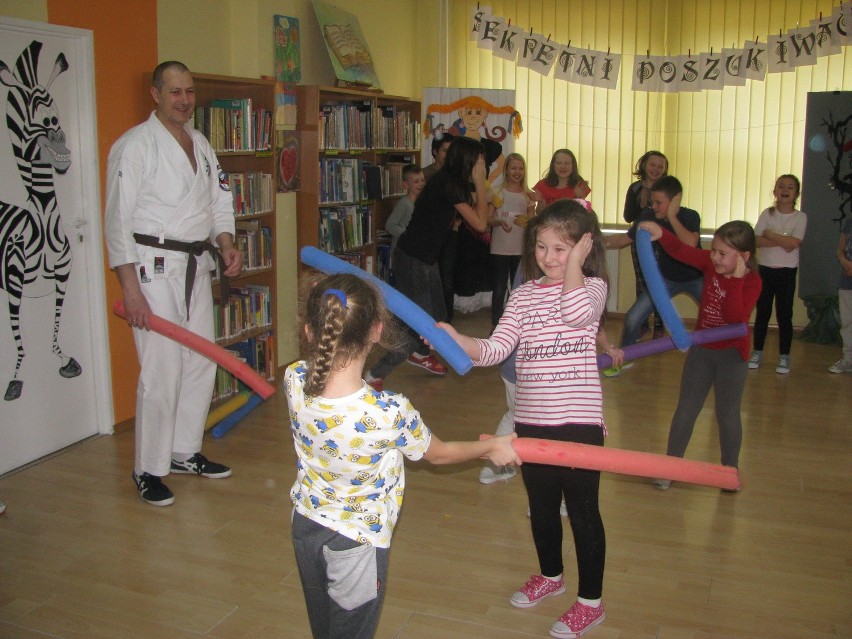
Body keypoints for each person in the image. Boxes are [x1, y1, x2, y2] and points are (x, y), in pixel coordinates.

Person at [286, 272, 520, 639]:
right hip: (356, 541)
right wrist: (492, 445)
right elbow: (439, 454)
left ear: (310, 331)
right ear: (377, 332)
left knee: (324, 626)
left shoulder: (294, 378)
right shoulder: (388, 413)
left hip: (305, 524)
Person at [440, 201, 610, 639]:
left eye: (561, 249)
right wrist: (460, 340)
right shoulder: (524, 294)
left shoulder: (592, 287)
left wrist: (576, 264)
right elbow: (496, 349)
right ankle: (551, 576)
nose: (549, 258)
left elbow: (574, 314)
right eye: (541, 247)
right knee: (540, 508)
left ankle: (591, 602)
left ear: (583, 250)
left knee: (585, 514)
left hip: (578, 424)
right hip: (532, 424)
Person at [104, 61, 243, 506]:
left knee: (201, 359)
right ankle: (147, 467)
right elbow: (116, 222)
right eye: (175, 92)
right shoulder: (135, 146)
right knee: (161, 370)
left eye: (189, 91)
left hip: (194, 264)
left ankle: (185, 450)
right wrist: (130, 289)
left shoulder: (200, 144)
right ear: (156, 94)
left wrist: (226, 243)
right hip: (152, 267)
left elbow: (219, 201)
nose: (184, 100)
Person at [638, 219, 761, 489]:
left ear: (743, 257)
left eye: (722, 253)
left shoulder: (752, 283)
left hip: (732, 354)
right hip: (702, 350)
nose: (714, 257)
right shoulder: (709, 262)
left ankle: (730, 472)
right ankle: (671, 468)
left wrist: (736, 281)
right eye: (714, 250)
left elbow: (734, 319)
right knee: (686, 409)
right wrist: (662, 235)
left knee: (727, 414)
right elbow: (683, 252)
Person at [364, 137, 490, 391]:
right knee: (422, 324)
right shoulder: (448, 184)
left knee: (439, 317)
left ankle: (417, 352)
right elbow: (480, 224)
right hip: (412, 259)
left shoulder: (451, 183)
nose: (483, 164)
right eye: (481, 160)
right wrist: (480, 181)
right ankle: (375, 372)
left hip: (424, 259)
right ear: (469, 161)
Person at [603, 176, 703, 376]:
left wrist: (672, 217)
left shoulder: (690, 216)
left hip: (695, 277)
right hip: (665, 279)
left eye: (659, 202)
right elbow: (623, 239)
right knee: (633, 318)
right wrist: (597, 242)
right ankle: (624, 359)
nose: (654, 206)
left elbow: (690, 244)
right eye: (652, 201)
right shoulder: (647, 216)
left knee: (717, 316)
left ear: (675, 200)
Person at [748, 175, 807, 374]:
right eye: (781, 186)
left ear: (796, 194)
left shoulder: (800, 217)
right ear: (775, 191)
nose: (785, 189)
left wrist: (771, 235)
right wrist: (784, 241)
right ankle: (757, 351)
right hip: (765, 269)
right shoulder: (767, 214)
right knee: (762, 313)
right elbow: (755, 240)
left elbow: (795, 244)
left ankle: (784, 356)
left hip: (787, 272)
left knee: (784, 314)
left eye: (790, 187)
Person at [488, 153, 539, 330]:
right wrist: (499, 222)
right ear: (506, 170)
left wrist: (526, 220)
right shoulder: (498, 192)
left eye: (520, 168)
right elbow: (488, 218)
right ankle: (496, 324)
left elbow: (533, 222)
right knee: (499, 288)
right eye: (513, 168)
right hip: (500, 249)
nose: (517, 172)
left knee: (519, 288)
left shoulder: (527, 195)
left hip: (520, 249)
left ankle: (516, 325)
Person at [623, 151, 669, 340]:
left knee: (658, 281)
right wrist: (641, 204)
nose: (656, 169)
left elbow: (670, 216)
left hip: (660, 241)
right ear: (644, 165)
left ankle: (659, 325)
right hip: (639, 241)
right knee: (641, 283)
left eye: (660, 166)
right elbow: (628, 217)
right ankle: (642, 324)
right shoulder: (635, 188)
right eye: (652, 165)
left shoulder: (668, 188)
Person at [829, 214, 852, 373]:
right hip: (847, 280)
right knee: (847, 323)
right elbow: (840, 249)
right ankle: (848, 359)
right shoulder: (850, 221)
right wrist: (844, 261)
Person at [384, 164, 425, 252]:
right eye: (416, 182)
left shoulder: (423, 203)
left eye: (422, 180)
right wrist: (406, 234)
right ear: (406, 185)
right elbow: (390, 225)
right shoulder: (404, 203)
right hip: (402, 251)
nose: (421, 184)